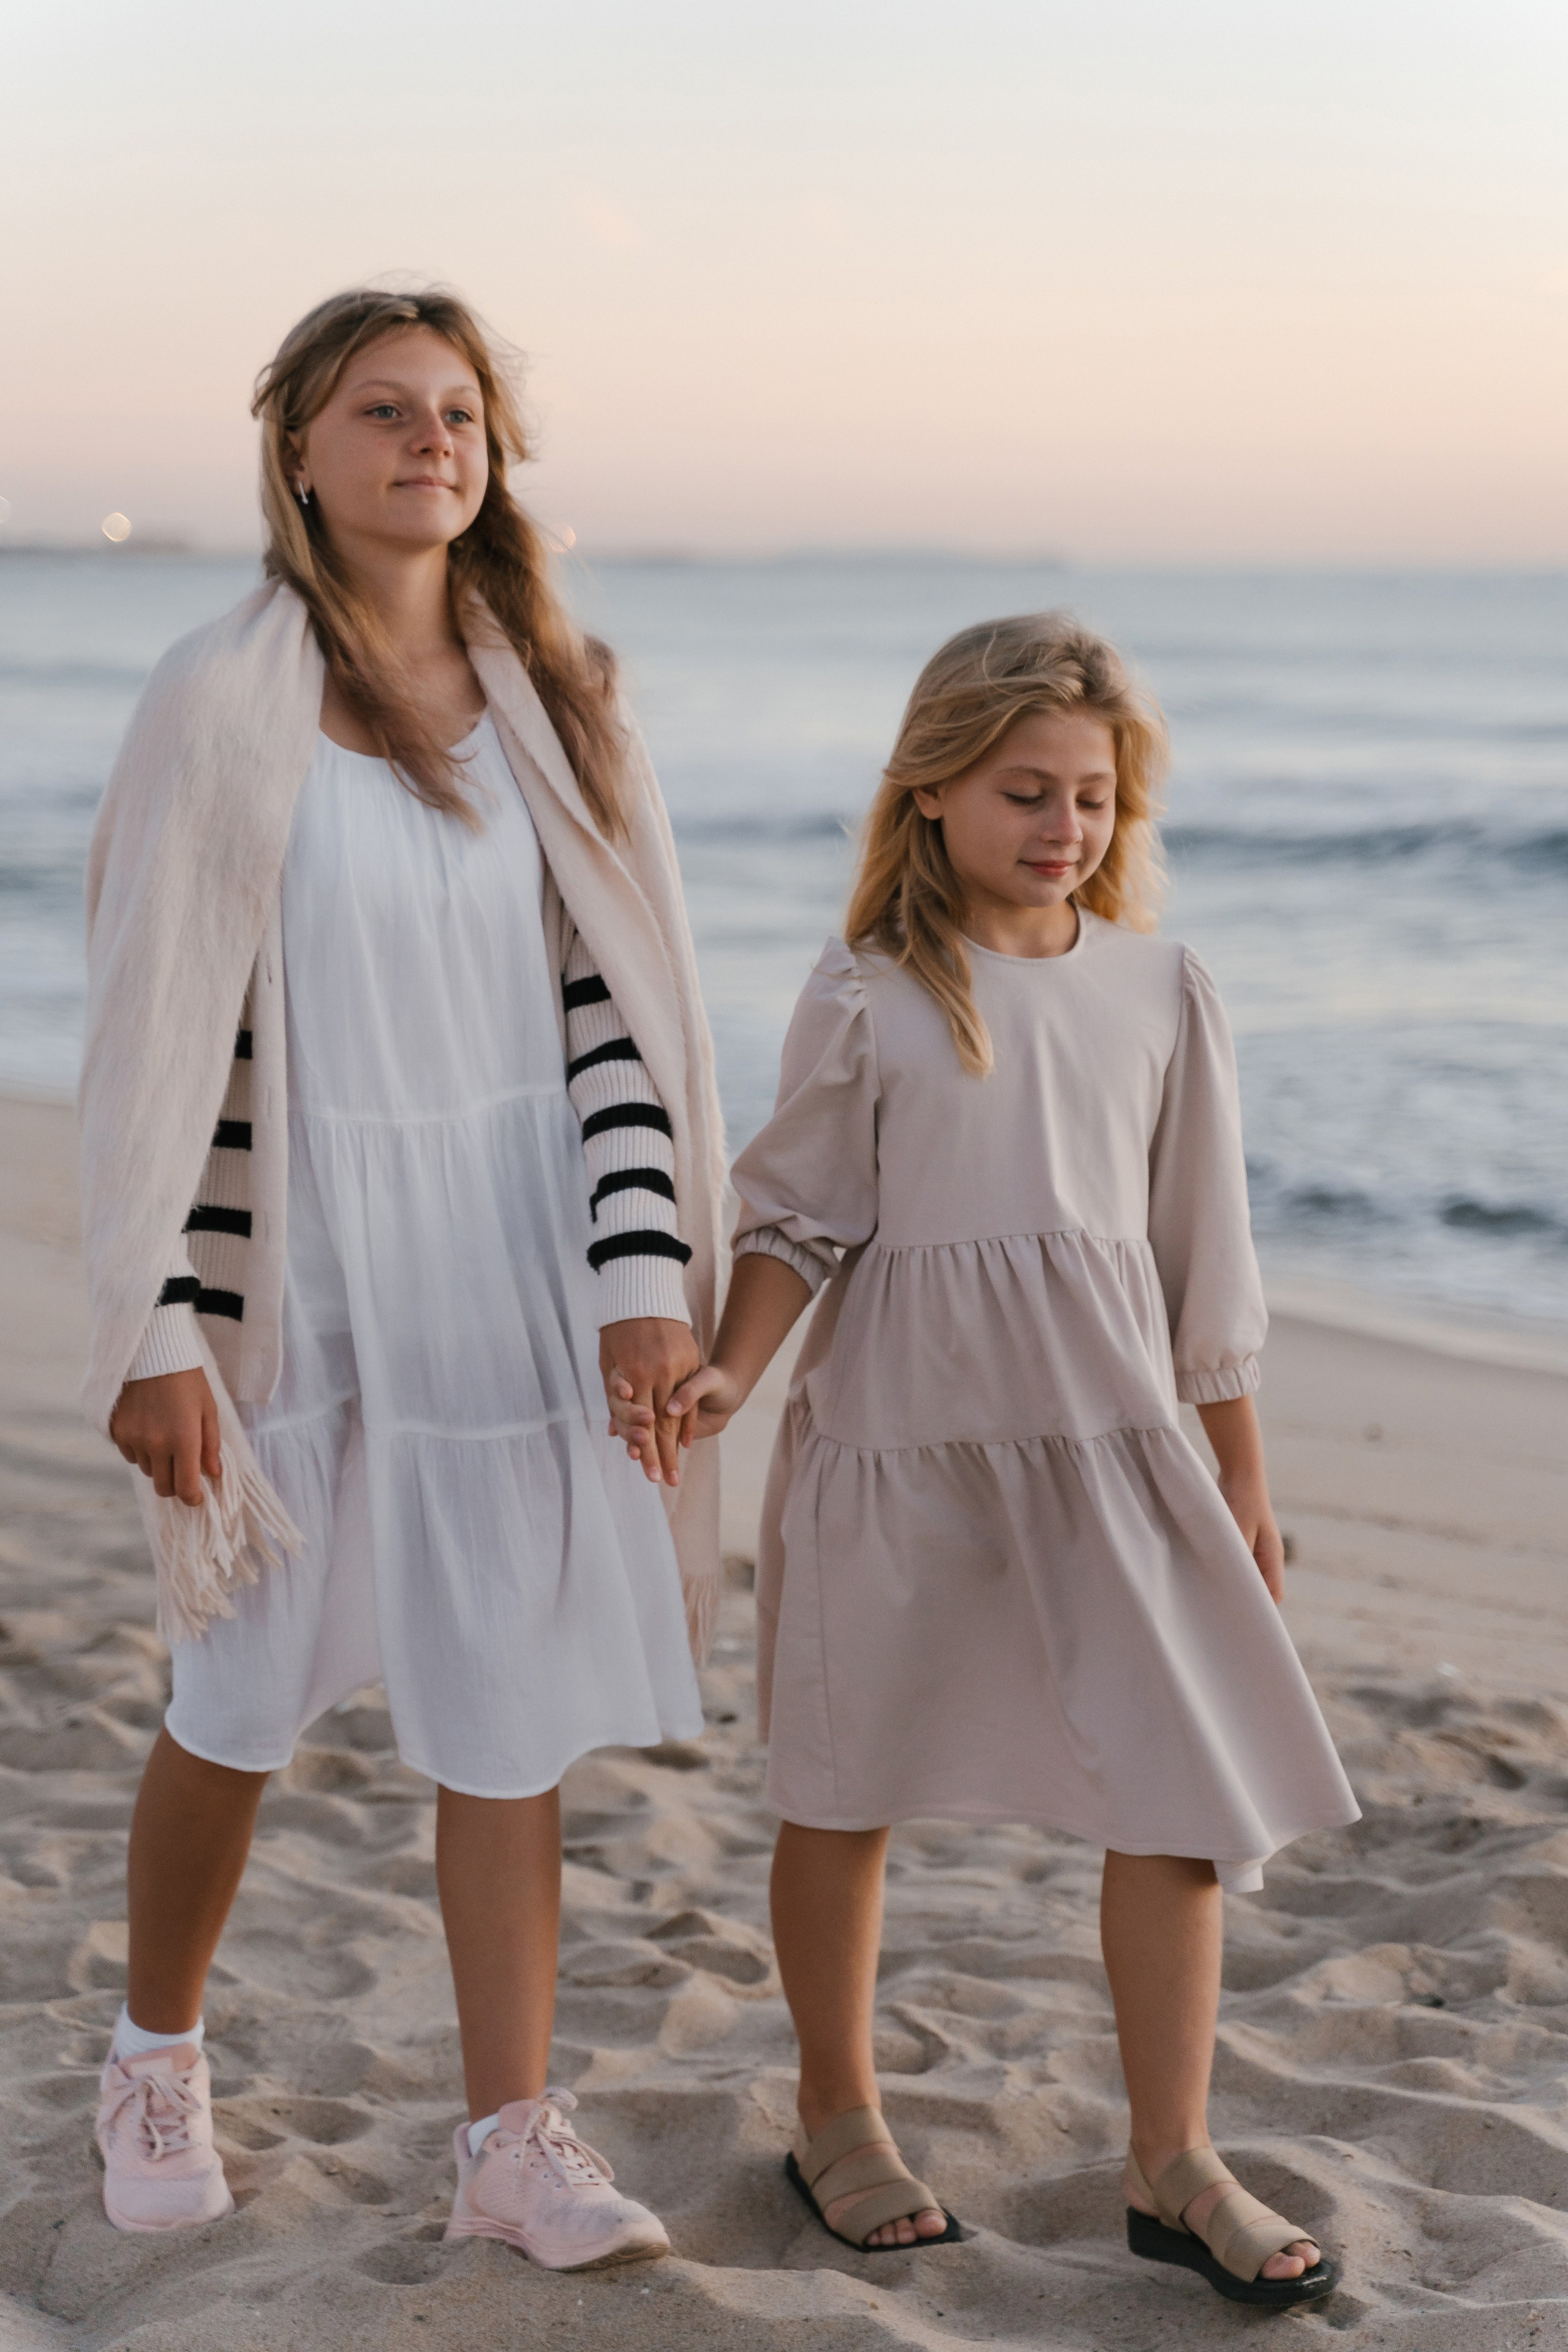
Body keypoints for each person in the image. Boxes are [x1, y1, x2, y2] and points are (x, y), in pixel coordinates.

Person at [78, 286, 726, 2269]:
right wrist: (156, 1325)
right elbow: (155, 1037)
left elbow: (618, 1012)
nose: (429, 439)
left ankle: (510, 2140)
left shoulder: (563, 695)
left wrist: (640, 1275)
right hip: (294, 1260)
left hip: (513, 1257)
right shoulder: (218, 695)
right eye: (383, 409)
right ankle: (154, 2057)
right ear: (299, 450)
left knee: (505, 1705)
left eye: (458, 411)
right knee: (237, 1693)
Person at [614, 616, 1359, 2309]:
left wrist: (1242, 1473)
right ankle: (839, 2119)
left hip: (1115, 1448)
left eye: (1093, 797)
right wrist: (731, 1371)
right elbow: (798, 1215)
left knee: (1178, 1790)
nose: (1065, 827)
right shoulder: (870, 992)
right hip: (902, 1442)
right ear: (934, 789)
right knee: (846, 1781)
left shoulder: (1162, 987)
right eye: (1028, 792)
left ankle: (1174, 2160)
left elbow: (1205, 1258)